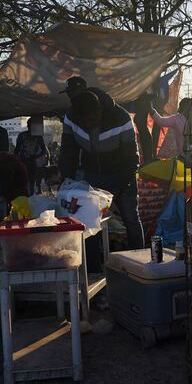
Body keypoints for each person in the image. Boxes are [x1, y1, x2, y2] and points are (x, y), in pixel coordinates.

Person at [60, 90, 144, 258]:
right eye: (83, 121)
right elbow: (68, 152)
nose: (87, 124)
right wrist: (66, 181)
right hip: (92, 176)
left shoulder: (122, 118)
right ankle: (93, 267)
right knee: (89, 222)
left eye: (91, 120)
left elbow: (131, 158)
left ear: (99, 111)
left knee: (130, 219)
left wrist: (122, 184)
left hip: (121, 172)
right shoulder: (71, 118)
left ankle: (139, 258)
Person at [14, 117, 49, 194]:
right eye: (30, 126)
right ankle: (26, 195)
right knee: (24, 180)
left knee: (31, 180)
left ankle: (31, 196)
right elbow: (16, 149)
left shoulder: (38, 136)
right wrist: (16, 161)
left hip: (32, 162)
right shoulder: (21, 135)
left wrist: (35, 157)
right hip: (22, 161)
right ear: (28, 126)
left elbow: (44, 150)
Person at [133, 96, 155, 165]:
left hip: (143, 130)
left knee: (146, 139)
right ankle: (148, 162)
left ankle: (148, 162)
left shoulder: (143, 107)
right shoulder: (142, 106)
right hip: (143, 130)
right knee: (146, 139)